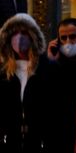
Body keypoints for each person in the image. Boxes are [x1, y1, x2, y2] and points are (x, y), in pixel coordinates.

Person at [0, 13, 54, 151]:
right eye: (14, 33)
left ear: (33, 37)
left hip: (38, 142)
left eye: (24, 32)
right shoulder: (3, 72)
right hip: (10, 142)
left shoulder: (46, 68)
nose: (19, 38)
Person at [47, 18, 76, 153]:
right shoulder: (54, 63)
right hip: (60, 133)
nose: (68, 42)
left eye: (73, 37)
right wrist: (51, 63)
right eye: (63, 38)